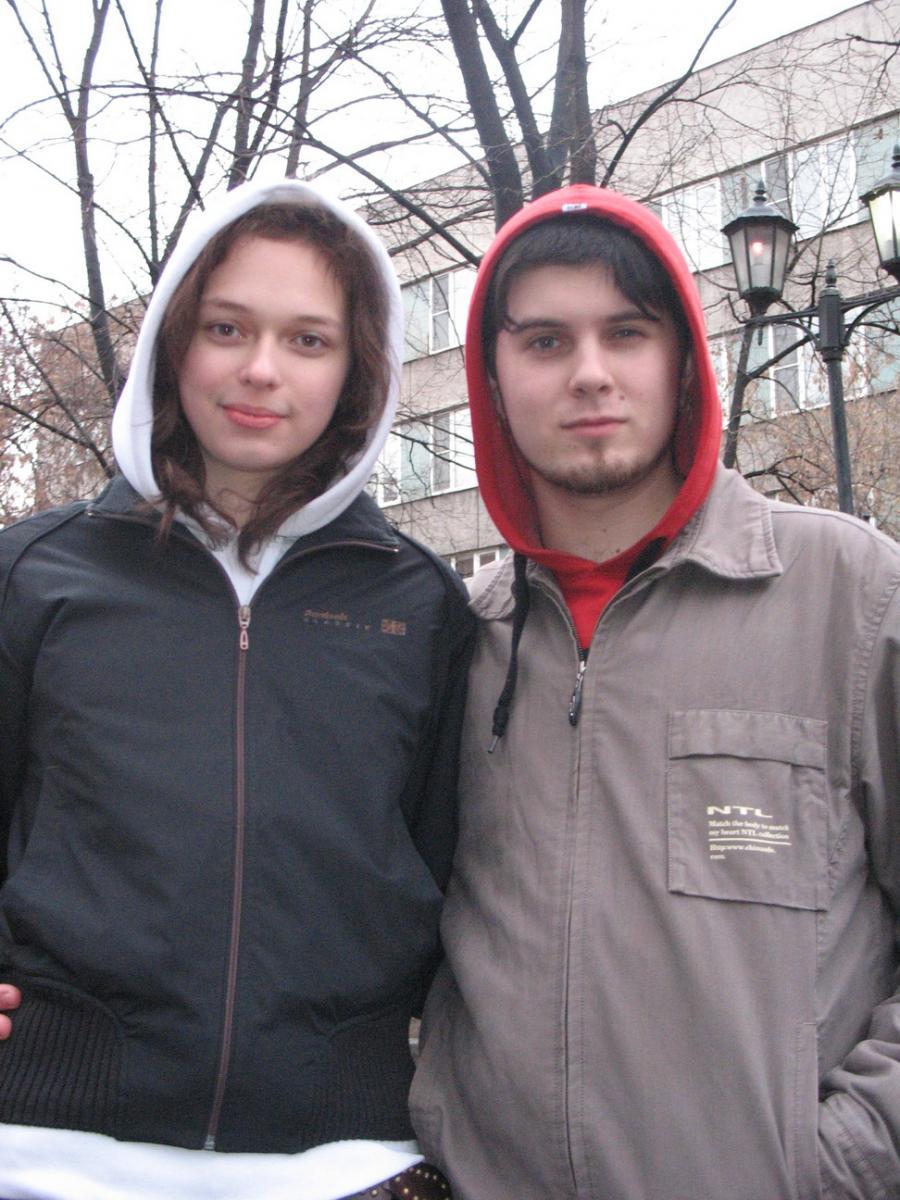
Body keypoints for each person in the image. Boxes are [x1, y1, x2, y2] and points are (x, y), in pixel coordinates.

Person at [408, 184, 900, 1199]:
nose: (590, 372)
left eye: (626, 333)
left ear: (681, 363)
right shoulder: (460, 642)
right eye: (545, 342)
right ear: (492, 381)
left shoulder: (849, 596)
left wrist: (843, 1161)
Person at [0, 178, 471, 1199]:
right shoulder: (34, 573)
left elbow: (442, 857)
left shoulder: (421, 604)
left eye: (308, 340)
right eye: (227, 328)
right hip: (48, 1151)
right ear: (175, 343)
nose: (262, 369)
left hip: (343, 1161)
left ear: (357, 369)